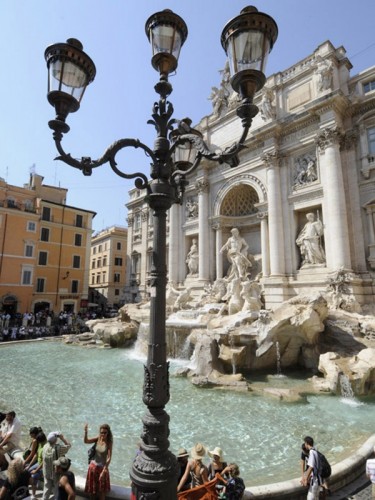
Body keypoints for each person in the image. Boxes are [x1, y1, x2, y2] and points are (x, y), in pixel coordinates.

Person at [84, 423, 112, 500]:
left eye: (105, 433)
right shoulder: (98, 439)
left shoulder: (109, 442)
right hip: (93, 467)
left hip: (102, 469)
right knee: (92, 491)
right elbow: (86, 441)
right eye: (101, 432)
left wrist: (104, 470)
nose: (103, 434)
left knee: (102, 492)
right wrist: (86, 432)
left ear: (108, 433)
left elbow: (109, 457)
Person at [42, 431, 71, 500]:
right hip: (56, 473)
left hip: (47, 472)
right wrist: (62, 438)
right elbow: (69, 445)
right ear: (55, 439)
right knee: (56, 492)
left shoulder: (45, 447)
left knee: (46, 490)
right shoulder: (58, 448)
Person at [27, 431, 47, 499]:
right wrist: (29, 465)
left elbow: (44, 462)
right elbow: (36, 455)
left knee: (34, 476)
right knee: (26, 471)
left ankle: (33, 495)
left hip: (44, 466)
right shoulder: (40, 444)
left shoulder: (46, 447)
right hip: (38, 463)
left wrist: (36, 470)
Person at [301, 436, 322, 500]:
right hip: (319, 479)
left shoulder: (311, 452)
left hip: (315, 480)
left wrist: (305, 479)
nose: (305, 444)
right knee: (316, 497)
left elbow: (311, 467)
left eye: (305, 443)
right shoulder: (315, 451)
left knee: (310, 498)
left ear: (307, 443)